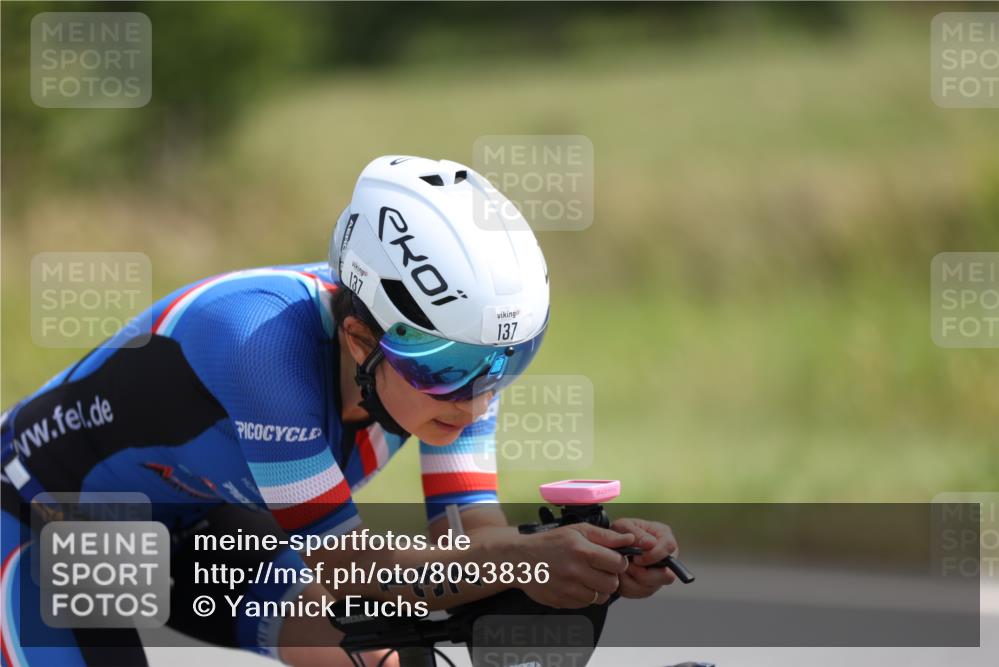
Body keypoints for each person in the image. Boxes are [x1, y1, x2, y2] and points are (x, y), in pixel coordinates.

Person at [1, 156, 678, 667]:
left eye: (506, 363)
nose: (475, 399)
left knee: (385, 654)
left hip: (197, 527)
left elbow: (469, 546)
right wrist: (528, 560)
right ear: (360, 340)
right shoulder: (259, 343)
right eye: (446, 368)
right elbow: (351, 562)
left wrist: (592, 562)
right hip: (45, 520)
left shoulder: (450, 371)